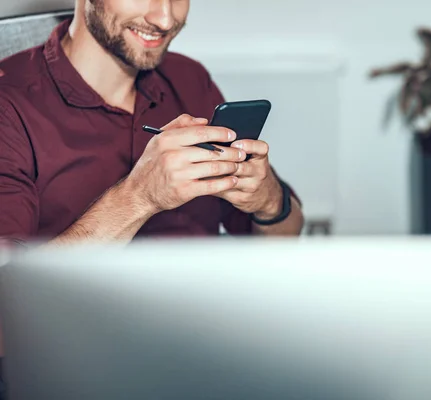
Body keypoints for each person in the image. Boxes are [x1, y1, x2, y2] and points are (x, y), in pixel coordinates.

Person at [0, 0, 304, 247]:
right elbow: (7, 290)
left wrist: (268, 200)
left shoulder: (190, 78)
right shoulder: (9, 103)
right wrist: (140, 197)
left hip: (205, 315)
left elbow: (289, 231)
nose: (165, 19)